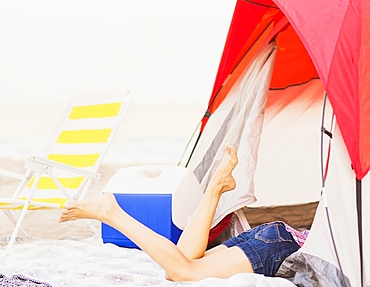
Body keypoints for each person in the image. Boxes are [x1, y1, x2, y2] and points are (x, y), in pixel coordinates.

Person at [59, 145, 307, 281]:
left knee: (176, 269)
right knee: (184, 272)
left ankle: (215, 188)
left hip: (272, 235)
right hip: (280, 245)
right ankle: (112, 213)